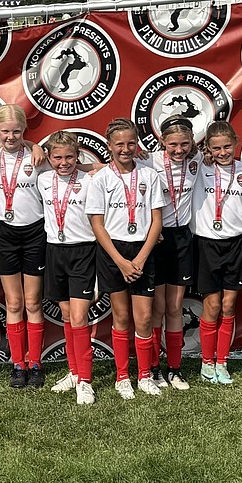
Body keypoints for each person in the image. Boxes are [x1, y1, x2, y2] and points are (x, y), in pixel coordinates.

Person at [86, 118, 167, 400]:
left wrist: (142, 257)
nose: (126, 148)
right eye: (119, 144)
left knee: (144, 317)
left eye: (131, 142)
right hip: (114, 252)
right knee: (120, 316)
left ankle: (144, 375)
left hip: (143, 250)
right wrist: (120, 261)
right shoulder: (101, 179)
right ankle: (122, 377)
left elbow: (157, 220)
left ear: (137, 144)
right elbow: (97, 225)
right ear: (109, 146)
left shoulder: (150, 175)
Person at [0, 104, 49, 389]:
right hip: (5, 233)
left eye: (17, 131)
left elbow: (68, 166)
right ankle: (17, 364)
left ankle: (35, 363)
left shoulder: (37, 157)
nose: (11, 137)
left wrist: (35, 146)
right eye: (6, 131)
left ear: (25, 131)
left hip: (35, 233)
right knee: (14, 302)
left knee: (33, 302)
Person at [191, 121, 242, 385]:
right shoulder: (199, 169)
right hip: (207, 244)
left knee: (229, 306)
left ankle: (222, 362)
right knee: (213, 305)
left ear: (236, 143)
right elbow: (182, 154)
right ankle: (207, 363)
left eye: (227, 146)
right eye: (216, 147)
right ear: (207, 147)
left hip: (235, 244)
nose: (223, 152)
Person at [37, 131, 97, 404]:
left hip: (83, 250)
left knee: (79, 317)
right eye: (58, 157)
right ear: (48, 157)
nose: (64, 162)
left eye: (70, 157)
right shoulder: (42, 179)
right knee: (65, 316)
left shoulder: (90, 180)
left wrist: (87, 168)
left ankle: (85, 380)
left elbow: (106, 168)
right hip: (54, 250)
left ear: (78, 156)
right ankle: (73, 372)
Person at [148, 116, 200, 391]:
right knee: (157, 307)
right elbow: (108, 167)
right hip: (156, 238)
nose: (179, 150)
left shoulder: (199, 160)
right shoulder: (148, 161)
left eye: (184, 144)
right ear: (162, 143)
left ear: (192, 142)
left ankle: (175, 369)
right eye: (173, 145)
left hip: (182, 238)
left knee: (175, 307)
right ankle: (154, 368)